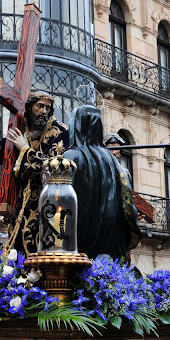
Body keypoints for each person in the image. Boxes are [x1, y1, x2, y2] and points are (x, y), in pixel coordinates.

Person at [0, 91, 68, 255]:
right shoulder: (22, 129)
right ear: (29, 108)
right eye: (40, 106)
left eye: (48, 107)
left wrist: (25, 150)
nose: (44, 111)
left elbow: (53, 167)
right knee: (16, 255)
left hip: (46, 205)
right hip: (19, 206)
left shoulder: (59, 131)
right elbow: (1, 155)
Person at [64, 106, 140, 259]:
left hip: (79, 248)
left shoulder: (71, 156)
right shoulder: (115, 163)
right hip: (111, 248)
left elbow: (64, 203)